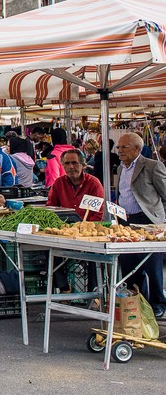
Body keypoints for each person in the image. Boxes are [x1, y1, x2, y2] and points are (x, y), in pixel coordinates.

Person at [115, 132, 166, 317]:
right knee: (129, 266)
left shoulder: (152, 166)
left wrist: (159, 219)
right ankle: (137, 302)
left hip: (147, 221)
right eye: (118, 147)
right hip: (126, 221)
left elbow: (165, 194)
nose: (119, 150)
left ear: (136, 148)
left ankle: (158, 304)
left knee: (152, 266)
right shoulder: (120, 168)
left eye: (124, 147)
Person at [46, 148, 105, 220]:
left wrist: (85, 226)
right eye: (67, 163)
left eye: (74, 163)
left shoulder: (94, 184)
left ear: (83, 165)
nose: (71, 167)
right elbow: (51, 209)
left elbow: (99, 213)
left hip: (89, 225)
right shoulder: (58, 183)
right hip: (64, 225)